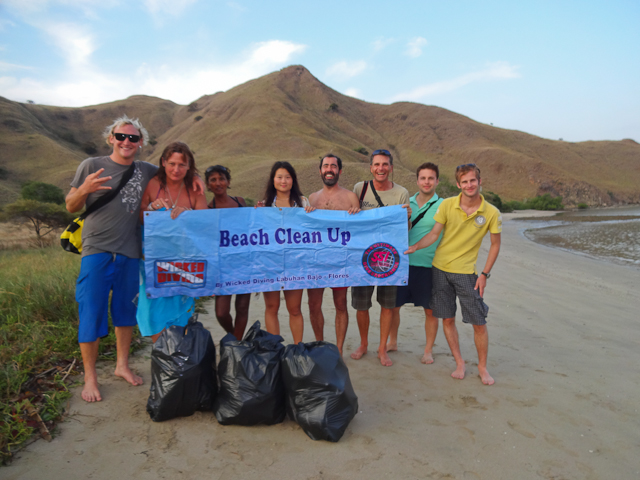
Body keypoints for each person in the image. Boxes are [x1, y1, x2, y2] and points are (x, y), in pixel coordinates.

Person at [405, 164, 502, 385]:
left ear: (479, 181)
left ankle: (482, 367)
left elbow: (495, 245)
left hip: (467, 273)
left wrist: (485, 274)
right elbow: (434, 233)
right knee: (447, 318)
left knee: (478, 321)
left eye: (472, 181)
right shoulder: (448, 205)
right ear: (458, 184)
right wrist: (416, 247)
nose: (469, 185)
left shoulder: (491, 213)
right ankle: (459, 362)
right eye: (464, 182)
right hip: (440, 269)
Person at [137, 141, 207, 343]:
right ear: (163, 162)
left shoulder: (194, 189)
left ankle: (180, 358)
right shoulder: (152, 184)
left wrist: (190, 214)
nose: (176, 169)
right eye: (172, 164)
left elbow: (205, 223)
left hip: (184, 262)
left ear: (189, 167)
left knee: (180, 307)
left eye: (182, 165)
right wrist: (151, 208)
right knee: (155, 309)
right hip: (154, 260)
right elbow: (140, 215)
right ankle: (162, 357)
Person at [350, 149, 410, 366]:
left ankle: (382, 347)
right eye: (377, 164)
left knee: (387, 305)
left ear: (391, 168)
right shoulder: (360, 188)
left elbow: (405, 229)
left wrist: (406, 218)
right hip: (362, 257)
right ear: (371, 168)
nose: (381, 168)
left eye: (385, 164)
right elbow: (349, 219)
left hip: (390, 259)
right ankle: (364, 343)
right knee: (361, 305)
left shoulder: (401, 193)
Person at [389, 162, 443, 363]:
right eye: (423, 178)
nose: (427, 182)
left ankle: (428, 350)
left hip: (429, 266)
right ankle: (392, 341)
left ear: (437, 181)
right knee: (394, 307)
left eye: (431, 178)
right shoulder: (405, 203)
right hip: (402, 264)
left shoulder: (444, 205)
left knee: (430, 310)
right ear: (417, 180)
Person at [307, 154, 361, 355]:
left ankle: (338, 351)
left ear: (340, 170)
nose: (329, 169)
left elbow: (360, 230)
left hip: (341, 260)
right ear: (320, 170)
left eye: (333, 166)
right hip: (316, 260)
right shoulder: (311, 198)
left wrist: (357, 213)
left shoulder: (350, 197)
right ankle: (320, 346)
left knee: (341, 304)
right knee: (314, 305)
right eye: (326, 166)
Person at [259, 161, 313, 344]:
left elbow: (313, 230)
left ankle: (297, 349)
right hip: (271, 263)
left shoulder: (303, 202)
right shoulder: (264, 205)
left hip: (296, 264)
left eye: (288, 177)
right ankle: (275, 349)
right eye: (279, 177)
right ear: (273, 180)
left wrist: (312, 215)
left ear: (293, 180)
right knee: (272, 307)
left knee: (295, 309)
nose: (284, 181)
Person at [205, 164, 251, 340]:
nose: (218, 183)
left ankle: (237, 346)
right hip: (221, 267)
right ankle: (233, 337)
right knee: (222, 312)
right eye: (213, 180)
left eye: (221, 179)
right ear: (208, 185)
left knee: (242, 307)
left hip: (243, 262)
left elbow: (252, 229)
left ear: (228, 181)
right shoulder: (207, 209)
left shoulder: (240, 202)